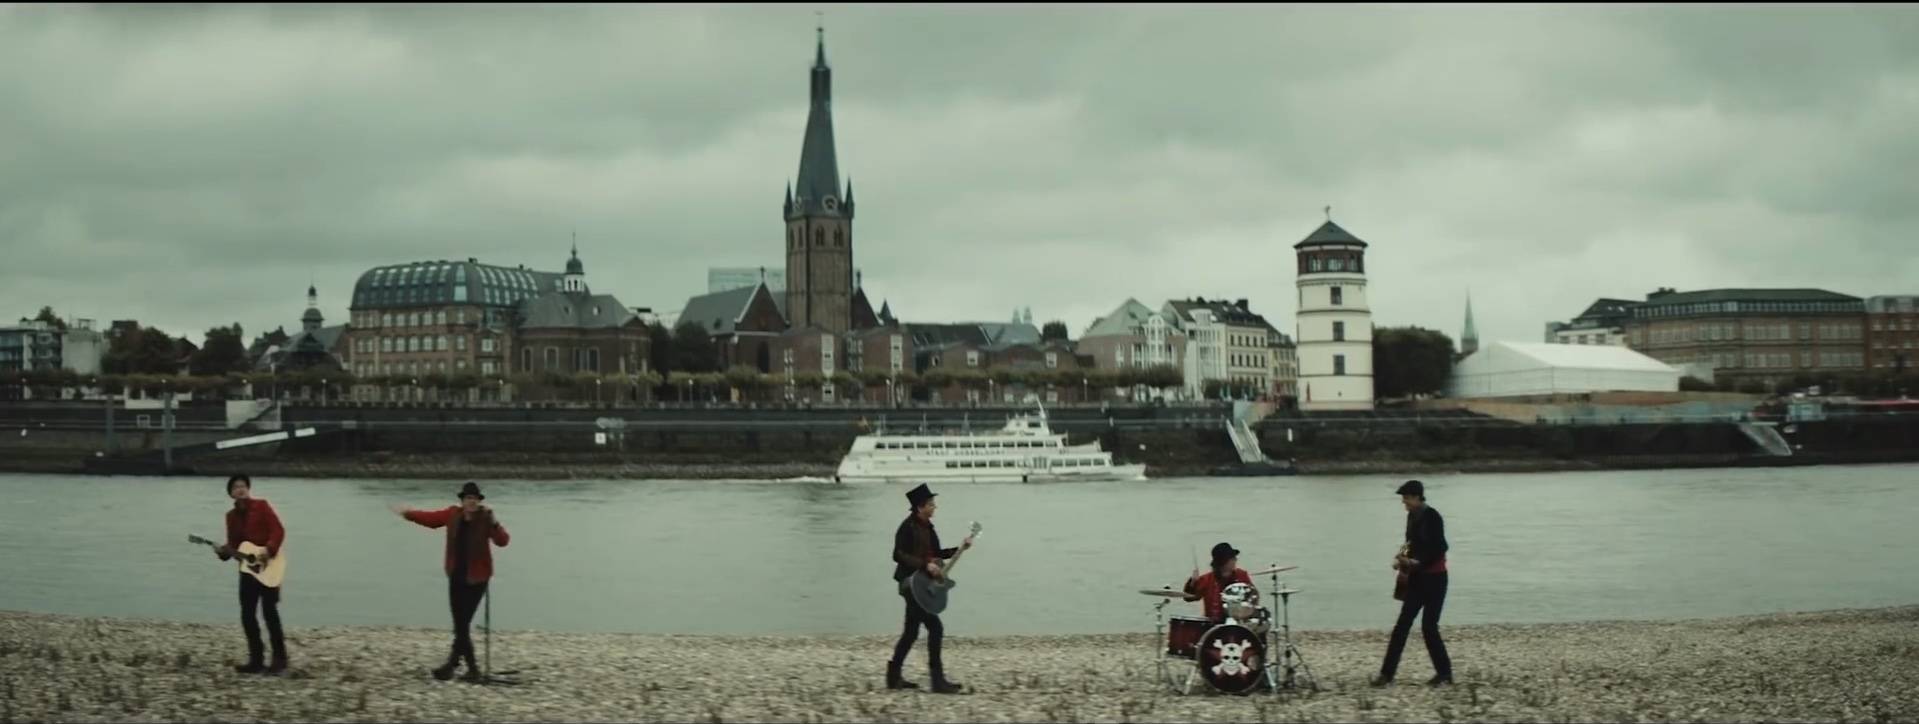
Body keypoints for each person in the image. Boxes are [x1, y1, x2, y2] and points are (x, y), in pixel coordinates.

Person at [392, 481, 510, 682]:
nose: (471, 502)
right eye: (467, 499)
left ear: (479, 501)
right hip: (456, 576)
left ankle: (469, 668)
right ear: (462, 501)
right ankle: (453, 664)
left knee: (462, 625)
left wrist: (495, 522)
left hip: (477, 578)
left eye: (474, 499)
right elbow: (431, 519)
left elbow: (503, 541)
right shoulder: (452, 515)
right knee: (460, 625)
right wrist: (408, 513)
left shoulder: (485, 518)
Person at [888, 483, 970, 694]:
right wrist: (925, 565)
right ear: (919, 507)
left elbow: (936, 552)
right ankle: (937, 681)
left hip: (922, 585)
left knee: (910, 633)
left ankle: (893, 677)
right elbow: (898, 555)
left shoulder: (929, 528)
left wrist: (959, 548)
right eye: (931, 504)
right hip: (909, 585)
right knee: (935, 628)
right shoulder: (907, 527)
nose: (935, 507)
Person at [1373, 479, 1453, 687]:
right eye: (1403, 499)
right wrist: (1400, 557)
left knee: (1429, 627)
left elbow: (1440, 548)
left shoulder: (1433, 516)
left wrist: (1418, 562)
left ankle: (1444, 673)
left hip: (1436, 579)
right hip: (1417, 579)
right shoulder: (1411, 516)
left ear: (1417, 497)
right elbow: (1410, 543)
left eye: (1406, 498)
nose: (1404, 503)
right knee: (1402, 626)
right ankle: (1386, 674)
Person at [215, 474, 287, 674]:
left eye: (243, 486)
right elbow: (234, 546)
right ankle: (256, 660)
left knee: (270, 613)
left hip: (269, 566)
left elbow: (278, 531)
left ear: (248, 489)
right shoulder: (230, 516)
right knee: (247, 615)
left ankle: (280, 660)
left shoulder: (262, 506)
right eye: (236, 487)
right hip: (247, 571)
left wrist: (268, 550)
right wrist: (223, 553)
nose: (240, 489)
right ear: (231, 493)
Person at [1183, 542, 1255, 622]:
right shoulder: (1207, 579)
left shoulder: (1242, 575)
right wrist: (1193, 582)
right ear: (1223, 562)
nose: (1235, 560)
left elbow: (1253, 597)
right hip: (1213, 625)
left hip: (1239, 624)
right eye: (1232, 558)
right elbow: (1188, 598)